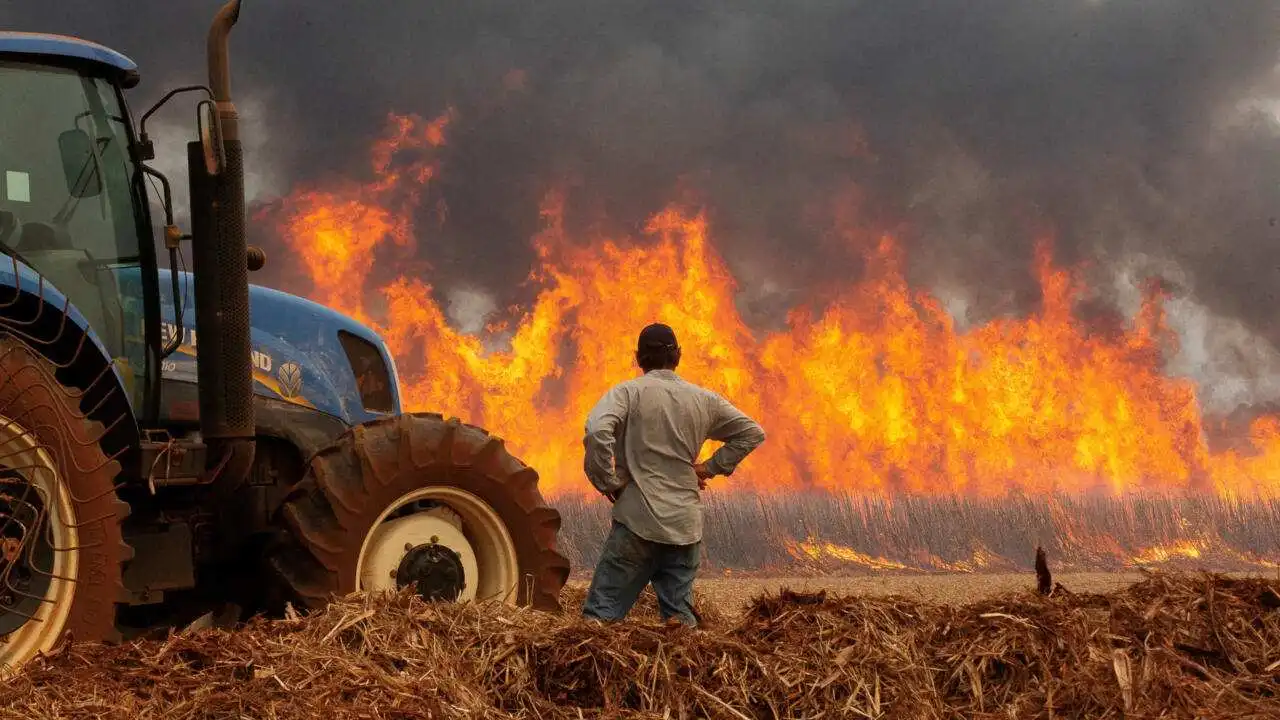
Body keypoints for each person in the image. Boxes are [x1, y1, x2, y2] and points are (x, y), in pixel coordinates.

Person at [580, 322, 766, 626]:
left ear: (638, 358)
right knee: (680, 628)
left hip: (637, 523)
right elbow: (752, 433)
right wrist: (709, 467)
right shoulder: (704, 400)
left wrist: (606, 481)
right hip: (684, 528)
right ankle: (686, 672)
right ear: (677, 355)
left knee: (599, 621)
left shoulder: (627, 393)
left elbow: (598, 430)